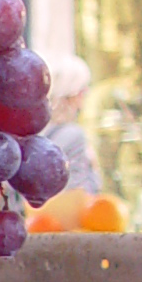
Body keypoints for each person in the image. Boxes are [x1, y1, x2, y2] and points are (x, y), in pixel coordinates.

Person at [44, 53, 103, 194]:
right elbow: (76, 190)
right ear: (73, 94)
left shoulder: (44, 131)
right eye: (83, 90)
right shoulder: (73, 135)